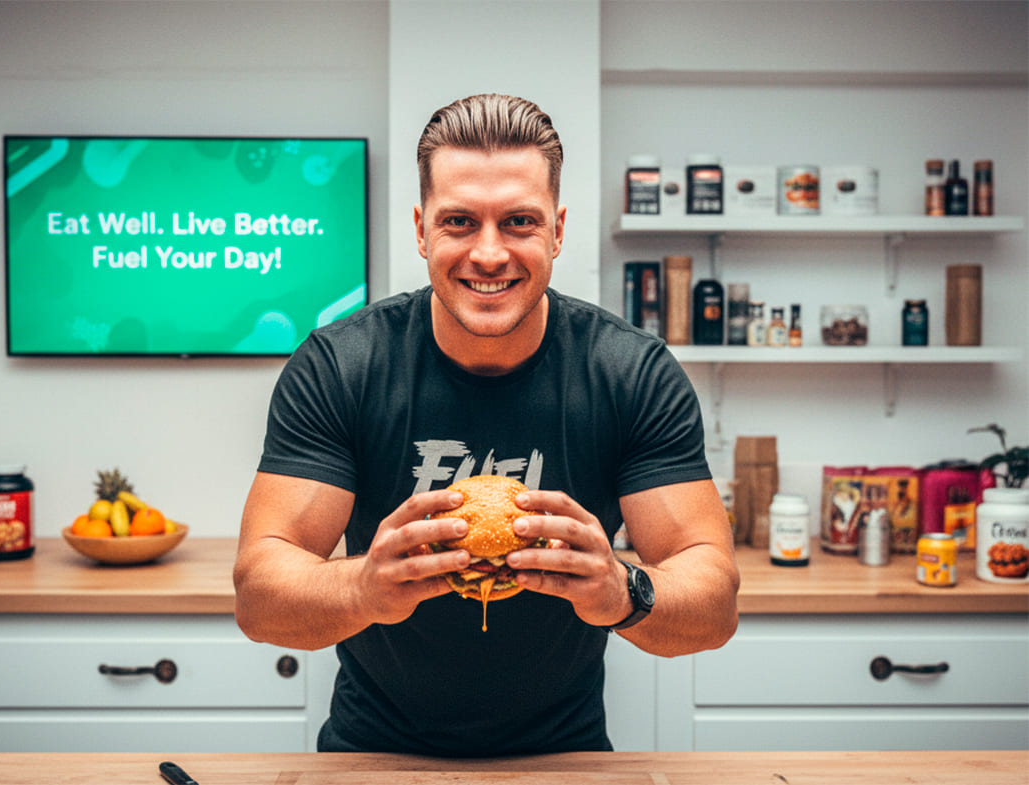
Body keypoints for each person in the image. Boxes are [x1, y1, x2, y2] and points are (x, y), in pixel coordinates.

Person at [234, 93, 739, 757]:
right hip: (374, 754)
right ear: (421, 230)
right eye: (461, 221)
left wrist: (623, 590)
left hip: (565, 758)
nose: (491, 252)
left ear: (558, 229)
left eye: (520, 221)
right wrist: (363, 586)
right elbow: (259, 593)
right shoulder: (343, 365)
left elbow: (715, 599)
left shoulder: (629, 373)